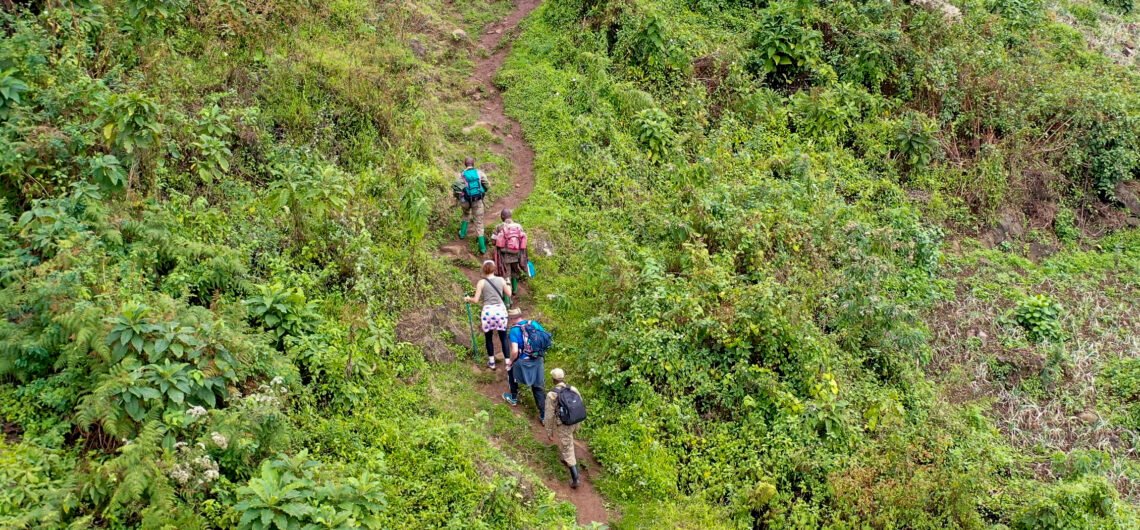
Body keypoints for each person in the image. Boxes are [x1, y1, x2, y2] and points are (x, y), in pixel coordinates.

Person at [463, 260, 512, 370]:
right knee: (503, 337)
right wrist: (508, 283)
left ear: (484, 269)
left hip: (488, 312)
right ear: (494, 269)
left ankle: (492, 362)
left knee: (488, 338)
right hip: (500, 311)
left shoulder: (481, 282)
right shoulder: (501, 280)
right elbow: (509, 294)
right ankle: (508, 363)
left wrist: (468, 299)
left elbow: (475, 300)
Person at [544, 368, 585, 489]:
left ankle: (575, 479)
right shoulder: (572, 389)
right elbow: (580, 403)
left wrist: (549, 432)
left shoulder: (552, 395)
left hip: (564, 424)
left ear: (553, 379)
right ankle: (566, 458)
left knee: (568, 448)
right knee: (567, 442)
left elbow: (549, 415)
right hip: (576, 421)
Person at [502, 318, 549, 421]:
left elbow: (514, 352)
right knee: (538, 387)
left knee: (510, 370)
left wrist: (510, 362)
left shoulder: (514, 330)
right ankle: (544, 415)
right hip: (538, 360)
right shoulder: (534, 323)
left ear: (512, 319)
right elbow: (545, 338)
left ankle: (513, 397)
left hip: (523, 362)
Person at [491, 208, 528, 308]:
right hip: (517, 255)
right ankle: (515, 290)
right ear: (511, 216)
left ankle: (507, 302)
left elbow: (493, 241)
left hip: (504, 255)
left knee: (505, 276)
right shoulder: (519, 226)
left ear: (502, 217)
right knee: (515, 271)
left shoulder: (499, 227)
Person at [454, 157, 489, 254]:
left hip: (465, 200)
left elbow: (457, 189)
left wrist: (460, 198)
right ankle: (482, 248)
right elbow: (487, 185)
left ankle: (462, 234)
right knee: (479, 223)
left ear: (465, 164)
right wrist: (483, 192)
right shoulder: (479, 173)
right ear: (473, 164)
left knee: (466, 214)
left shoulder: (461, 175)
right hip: (477, 200)